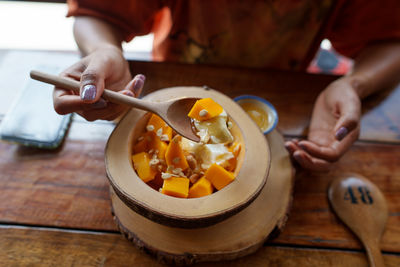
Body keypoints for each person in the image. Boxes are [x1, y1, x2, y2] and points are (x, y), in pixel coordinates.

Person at [55, 0, 400, 171]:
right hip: (170, 83)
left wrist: (355, 83)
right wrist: (104, 50)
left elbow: (391, 39)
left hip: (283, 94)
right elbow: (96, 10)